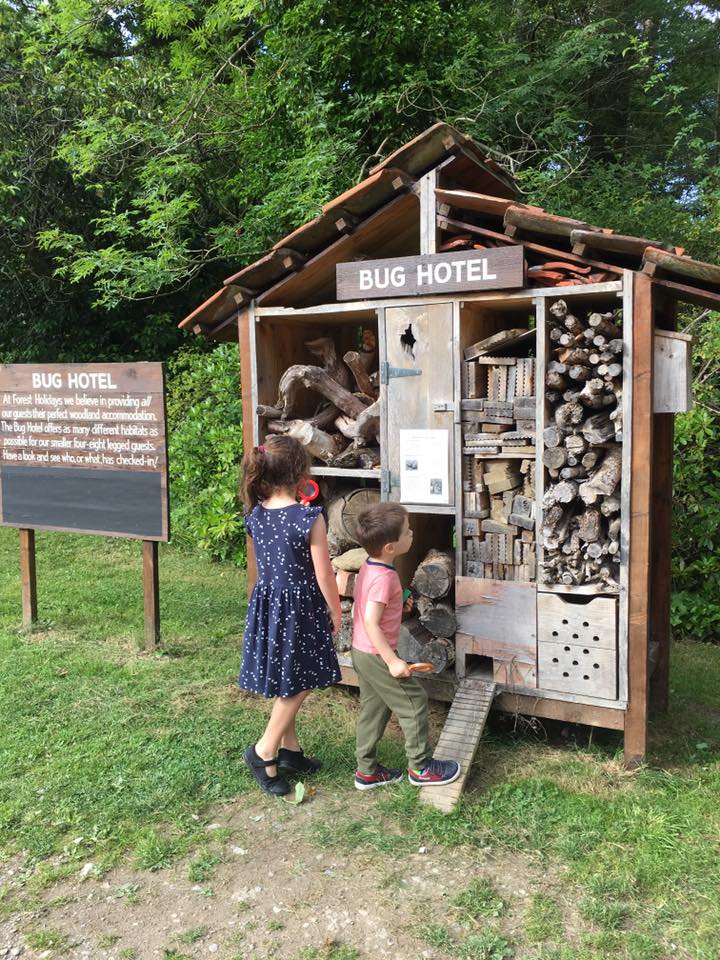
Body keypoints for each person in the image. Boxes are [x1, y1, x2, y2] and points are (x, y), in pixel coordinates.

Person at [239, 435, 342, 796]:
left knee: (288, 673)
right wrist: (335, 608)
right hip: (299, 607)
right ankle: (263, 750)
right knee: (301, 679)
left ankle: (291, 752)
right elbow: (324, 573)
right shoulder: (307, 517)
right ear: (302, 472)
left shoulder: (255, 514)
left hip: (269, 604)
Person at [351, 502, 460, 790]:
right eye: (407, 532)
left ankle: (366, 771)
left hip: (362, 651)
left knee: (374, 710)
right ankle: (421, 768)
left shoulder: (369, 567)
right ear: (390, 547)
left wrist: (399, 609)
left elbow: (366, 611)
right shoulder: (384, 579)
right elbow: (372, 622)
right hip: (377, 654)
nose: (412, 533)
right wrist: (392, 661)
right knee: (414, 702)